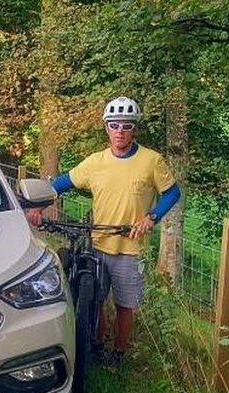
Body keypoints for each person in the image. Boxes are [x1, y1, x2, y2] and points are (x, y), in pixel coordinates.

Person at [26, 96, 181, 363]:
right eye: (114, 125)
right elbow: (64, 183)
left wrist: (151, 217)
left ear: (134, 129)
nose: (120, 132)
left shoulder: (151, 160)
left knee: (125, 304)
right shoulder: (96, 162)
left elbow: (172, 193)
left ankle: (119, 353)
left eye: (126, 126)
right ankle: (96, 345)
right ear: (106, 128)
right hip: (98, 242)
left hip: (130, 247)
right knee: (95, 299)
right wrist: (38, 206)